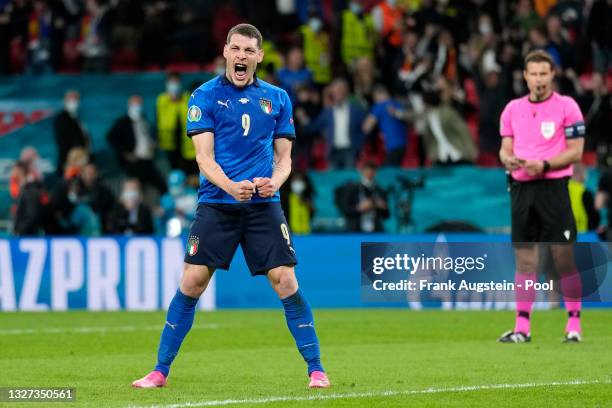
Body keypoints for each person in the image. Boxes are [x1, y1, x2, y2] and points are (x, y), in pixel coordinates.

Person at [132, 23, 330, 389]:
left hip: (262, 205)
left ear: (259, 57)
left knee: (285, 279)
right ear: (225, 52)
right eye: (235, 49)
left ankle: (316, 369)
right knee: (192, 281)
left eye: (248, 51)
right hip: (217, 204)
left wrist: (276, 181)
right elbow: (203, 159)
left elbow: (284, 160)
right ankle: (159, 371)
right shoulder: (203, 96)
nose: (241, 57)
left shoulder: (277, 98)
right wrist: (230, 187)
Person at [498, 50, 585, 344]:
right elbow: (505, 147)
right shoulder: (512, 109)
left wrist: (545, 165)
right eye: (533, 74)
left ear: (552, 75)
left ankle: (574, 323)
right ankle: (522, 327)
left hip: (553, 187)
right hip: (522, 187)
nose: (538, 80)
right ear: (525, 76)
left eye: (543, 74)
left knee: (563, 257)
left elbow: (576, 151)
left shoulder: (568, 107)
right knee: (524, 260)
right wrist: (507, 159)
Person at [107, 95, 167, 195]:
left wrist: (155, 146)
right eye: (135, 104)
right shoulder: (123, 122)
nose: (138, 106)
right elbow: (111, 137)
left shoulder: (144, 120)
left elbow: (147, 138)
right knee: (137, 189)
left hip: (148, 160)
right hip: (134, 163)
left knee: (161, 186)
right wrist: (125, 153)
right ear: (129, 105)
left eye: (140, 104)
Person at [336, 161, 389, 232]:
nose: (370, 172)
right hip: (355, 230)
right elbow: (344, 210)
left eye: (373, 170)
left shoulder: (380, 190)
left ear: (376, 172)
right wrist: (358, 208)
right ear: (362, 171)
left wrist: (382, 207)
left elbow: (386, 215)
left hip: (376, 231)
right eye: (367, 169)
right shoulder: (351, 189)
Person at [53, 90, 90, 176]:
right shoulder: (61, 119)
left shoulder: (77, 118)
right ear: (65, 101)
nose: (74, 102)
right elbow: (62, 142)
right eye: (71, 99)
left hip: (81, 160)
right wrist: (71, 159)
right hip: (70, 161)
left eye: (76, 99)